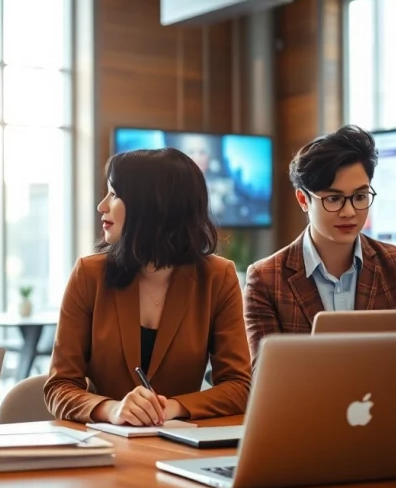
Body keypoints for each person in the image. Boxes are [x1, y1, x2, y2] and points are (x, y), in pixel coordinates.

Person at [44, 148, 252, 426]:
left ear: (153, 205)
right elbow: (59, 387)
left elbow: (239, 386)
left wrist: (173, 408)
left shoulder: (217, 277)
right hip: (104, 443)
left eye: (114, 194)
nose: (102, 206)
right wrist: (112, 409)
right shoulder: (88, 275)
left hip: (182, 443)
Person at [244, 125, 396, 358]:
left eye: (360, 197)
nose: (349, 212)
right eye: (334, 199)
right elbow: (265, 377)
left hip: (387, 394)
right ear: (303, 199)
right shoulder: (266, 279)